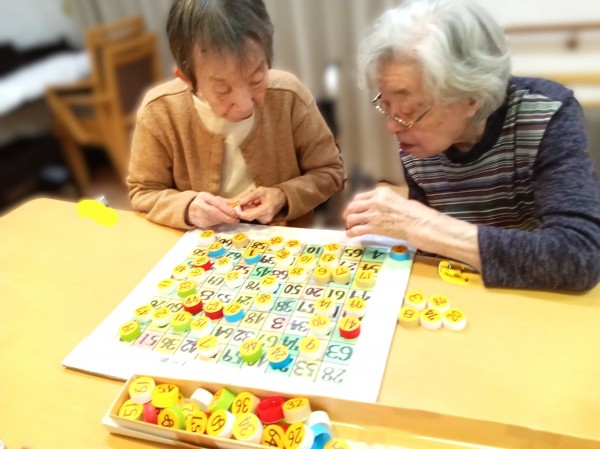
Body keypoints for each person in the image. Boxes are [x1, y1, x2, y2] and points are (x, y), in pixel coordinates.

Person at [344, 0, 600, 292]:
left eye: (408, 111)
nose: (392, 126)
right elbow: (432, 249)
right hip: (466, 288)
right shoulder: (417, 141)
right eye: (386, 105)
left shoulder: (547, 115)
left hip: (539, 295)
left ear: (471, 99)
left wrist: (422, 226)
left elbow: (581, 255)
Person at [127, 0, 345, 231]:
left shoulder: (289, 96)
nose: (244, 104)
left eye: (256, 80)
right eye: (223, 91)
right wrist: (188, 207)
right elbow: (143, 191)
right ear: (187, 79)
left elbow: (330, 171)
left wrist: (283, 196)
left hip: (284, 240)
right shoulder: (160, 111)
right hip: (199, 245)